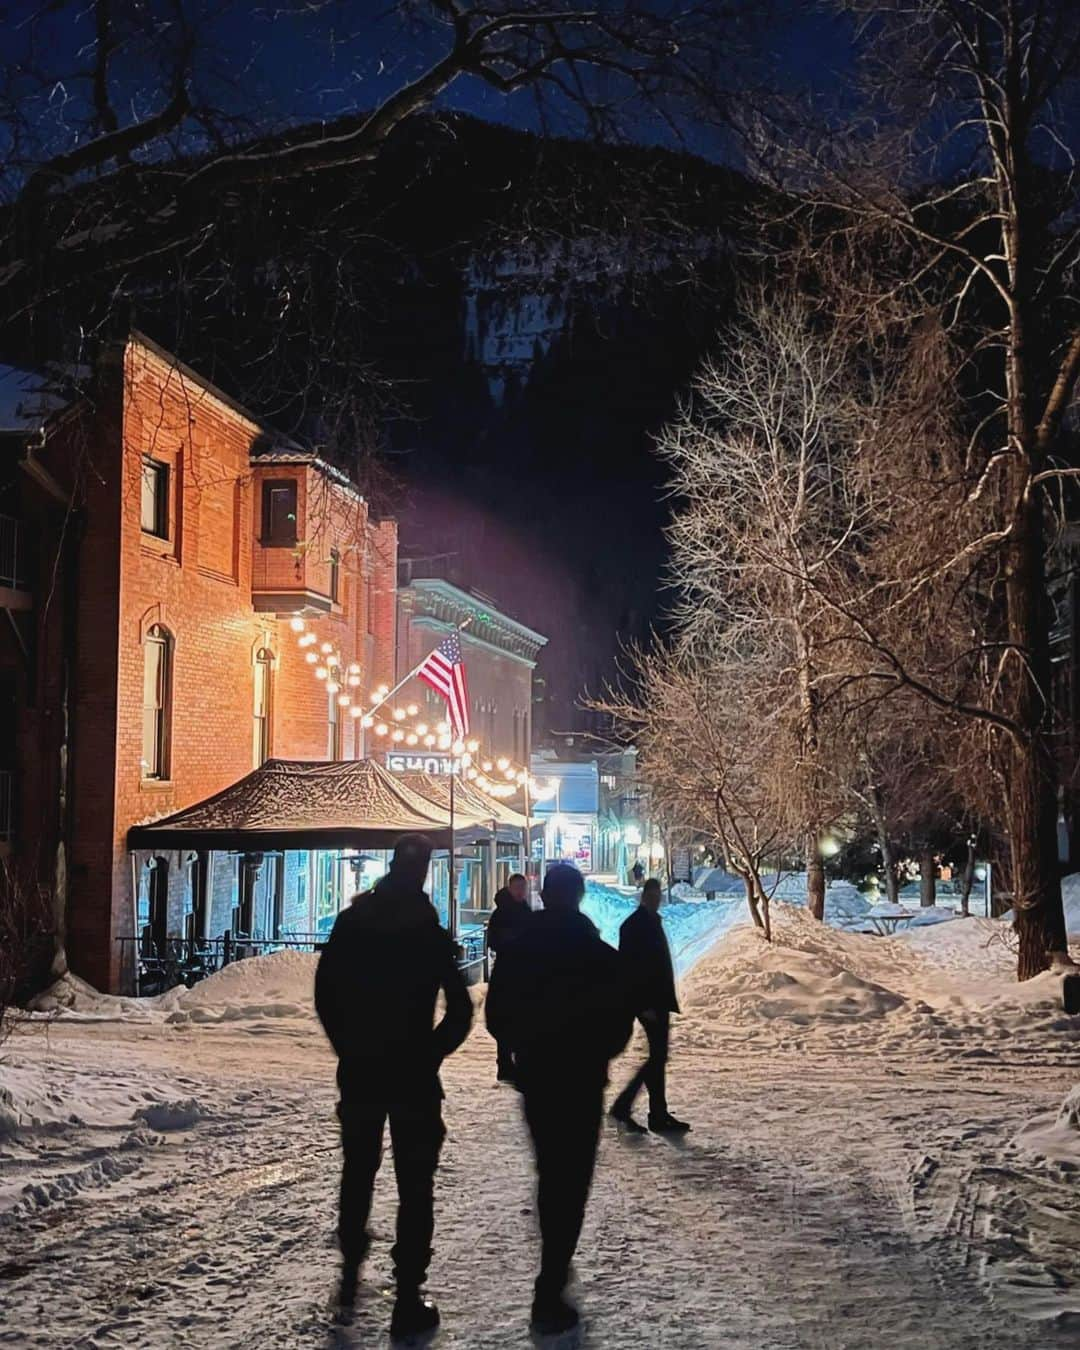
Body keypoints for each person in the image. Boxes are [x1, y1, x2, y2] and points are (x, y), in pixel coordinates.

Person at [314, 833, 472, 1340]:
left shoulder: (354, 920)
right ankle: (407, 1296)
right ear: (423, 871)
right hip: (411, 1075)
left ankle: (350, 1269)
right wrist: (430, 1052)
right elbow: (462, 1008)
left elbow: (325, 993)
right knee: (415, 1183)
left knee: (358, 1169)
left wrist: (348, 1045)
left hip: (362, 1069)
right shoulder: (427, 930)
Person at [486, 863, 633, 1335]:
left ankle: (552, 1273)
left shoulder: (518, 950)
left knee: (551, 1170)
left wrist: (518, 1047)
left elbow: (495, 1014)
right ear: (579, 896)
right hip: (582, 1079)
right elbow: (619, 1021)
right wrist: (596, 1052)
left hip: (538, 1075)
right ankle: (552, 1277)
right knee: (573, 1177)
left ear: (545, 896)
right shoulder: (596, 953)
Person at [610, 878, 690, 1135]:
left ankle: (656, 1111)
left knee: (658, 1057)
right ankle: (630, 1107)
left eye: (659, 897)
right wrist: (643, 1003)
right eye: (653, 897)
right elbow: (631, 969)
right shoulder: (635, 926)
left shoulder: (647, 922)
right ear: (644, 897)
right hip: (649, 1002)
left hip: (656, 1000)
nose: (657, 902)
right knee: (657, 1057)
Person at [485, 872, 531, 1083]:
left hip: (521, 972)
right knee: (507, 1017)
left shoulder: (524, 910)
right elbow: (494, 941)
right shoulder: (501, 913)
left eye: (524, 888)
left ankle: (512, 1062)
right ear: (510, 888)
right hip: (507, 972)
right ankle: (505, 1063)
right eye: (518, 888)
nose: (522, 892)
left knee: (519, 1018)